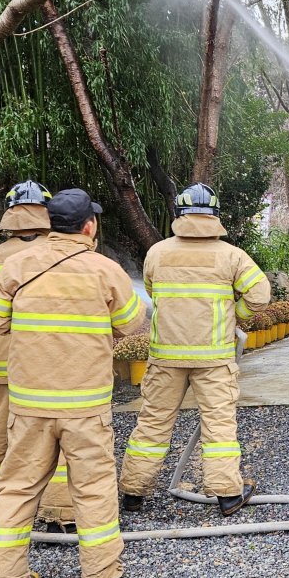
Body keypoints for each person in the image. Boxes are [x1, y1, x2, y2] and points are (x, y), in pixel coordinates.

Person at [0, 188, 146, 578]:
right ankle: (102, 571)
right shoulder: (106, 270)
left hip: (30, 404)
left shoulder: (16, 265)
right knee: (94, 486)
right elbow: (131, 323)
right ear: (90, 225)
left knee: (17, 487)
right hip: (85, 404)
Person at [119, 183, 271, 516]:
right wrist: (236, 315)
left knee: (153, 424)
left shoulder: (158, 252)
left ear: (180, 214)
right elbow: (260, 295)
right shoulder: (231, 255)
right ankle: (228, 495)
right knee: (218, 426)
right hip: (214, 359)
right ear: (215, 216)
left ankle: (133, 493)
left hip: (165, 358)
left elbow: (153, 291)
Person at [0, 181, 74, 528]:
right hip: (46, 363)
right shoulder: (63, 252)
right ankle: (58, 509)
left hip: (3, 363)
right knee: (55, 435)